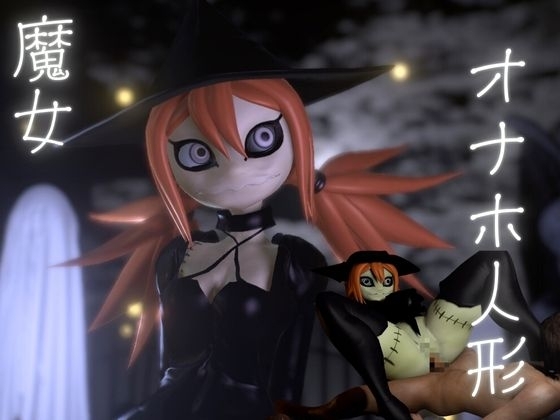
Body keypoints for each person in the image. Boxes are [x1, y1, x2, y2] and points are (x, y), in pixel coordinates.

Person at [62, 1, 458, 418]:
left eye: (262, 137)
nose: (235, 168)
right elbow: (169, 367)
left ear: (296, 136)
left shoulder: (295, 260)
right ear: (165, 161)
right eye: (197, 152)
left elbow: (294, 366)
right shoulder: (175, 255)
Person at [303, 250, 542, 419]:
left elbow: (430, 352)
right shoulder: (359, 318)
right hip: (401, 354)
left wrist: (437, 364)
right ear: (353, 283)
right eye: (367, 280)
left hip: (437, 339)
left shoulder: (409, 305)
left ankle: (536, 336)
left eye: (387, 280)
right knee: (327, 301)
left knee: (494, 260)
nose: (379, 287)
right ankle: (385, 398)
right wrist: (386, 397)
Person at [274, 312, 560, 419]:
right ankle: (307, 413)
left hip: (437, 392)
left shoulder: (545, 393)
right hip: (450, 372)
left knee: (358, 399)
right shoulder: (546, 373)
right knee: (353, 400)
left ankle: (305, 414)